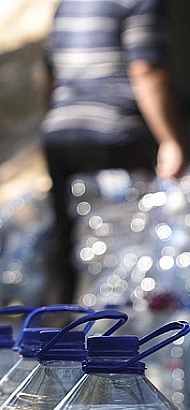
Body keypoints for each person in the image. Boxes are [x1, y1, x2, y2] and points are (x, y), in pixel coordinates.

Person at [43, 0, 185, 304]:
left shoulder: (68, 5)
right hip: (115, 134)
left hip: (59, 132)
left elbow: (50, 75)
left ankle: (56, 329)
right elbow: (146, 68)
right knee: (128, 249)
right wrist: (170, 139)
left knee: (66, 242)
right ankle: (121, 333)